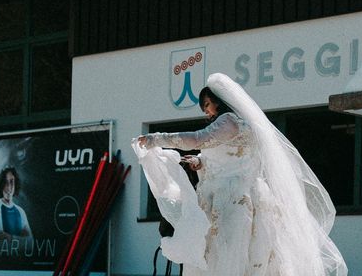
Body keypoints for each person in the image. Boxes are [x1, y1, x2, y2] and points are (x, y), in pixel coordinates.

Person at [136, 72, 347, 276]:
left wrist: (157, 138)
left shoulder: (229, 121)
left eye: (207, 105)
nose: (206, 112)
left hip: (229, 199)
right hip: (244, 194)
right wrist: (200, 161)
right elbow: (232, 159)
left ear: (219, 101)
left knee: (224, 254)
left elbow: (197, 139)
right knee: (243, 257)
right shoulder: (245, 126)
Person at [0, 167, 33, 243]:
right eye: (5, 182)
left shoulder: (21, 212)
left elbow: (30, 243)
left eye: (11, 182)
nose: (9, 187)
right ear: (1, 185)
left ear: (15, 184)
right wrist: (21, 239)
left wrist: (11, 238)